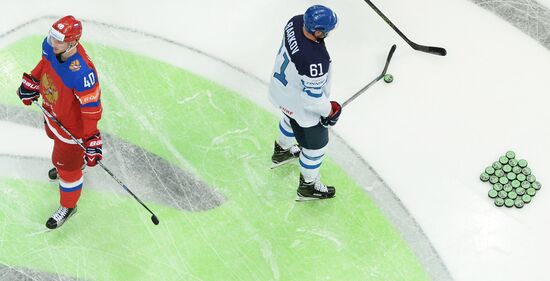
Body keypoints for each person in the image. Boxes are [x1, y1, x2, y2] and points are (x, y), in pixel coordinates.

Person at [17, 15, 103, 229]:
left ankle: (68, 205)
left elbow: (91, 110)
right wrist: (33, 81)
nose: (52, 43)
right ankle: (74, 164)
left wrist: (91, 138)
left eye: (59, 41)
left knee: (67, 170)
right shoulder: (51, 46)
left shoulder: (83, 73)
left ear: (73, 43)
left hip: (71, 131)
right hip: (52, 114)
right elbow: (45, 63)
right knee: (54, 144)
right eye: (52, 37)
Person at [269, 5, 341, 200]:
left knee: (289, 119)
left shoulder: (295, 21)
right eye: (326, 31)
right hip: (300, 104)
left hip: (282, 90)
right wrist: (330, 112)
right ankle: (308, 187)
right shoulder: (314, 61)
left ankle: (282, 151)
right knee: (316, 147)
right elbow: (312, 100)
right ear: (317, 31)